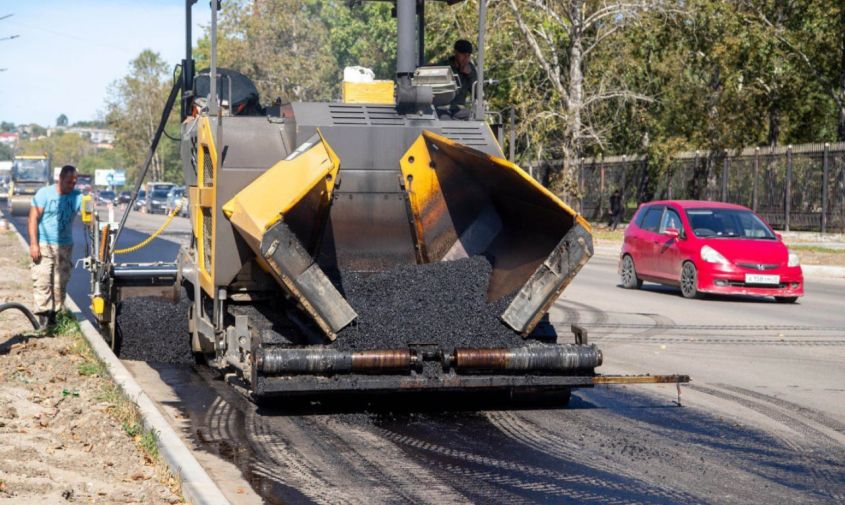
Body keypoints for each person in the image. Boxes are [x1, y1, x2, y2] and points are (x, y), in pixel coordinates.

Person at [28, 165, 82, 329]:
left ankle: (55, 316)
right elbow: (32, 219)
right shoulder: (45, 194)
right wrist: (34, 244)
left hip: (65, 246)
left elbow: (90, 217)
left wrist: (93, 214)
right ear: (60, 179)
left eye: (74, 182)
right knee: (43, 281)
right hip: (44, 244)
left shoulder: (77, 197)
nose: (71, 186)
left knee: (60, 284)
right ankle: (43, 317)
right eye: (68, 182)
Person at [439, 39, 478, 120]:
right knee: (444, 119)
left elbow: (478, 93)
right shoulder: (443, 66)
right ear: (456, 52)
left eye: (468, 56)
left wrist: (470, 75)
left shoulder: (471, 68)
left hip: (460, 109)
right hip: (442, 108)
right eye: (463, 55)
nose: (466, 58)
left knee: (473, 116)